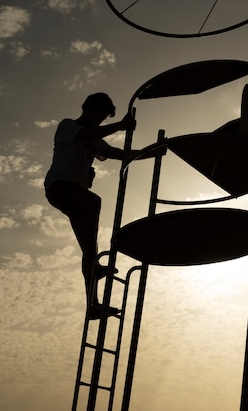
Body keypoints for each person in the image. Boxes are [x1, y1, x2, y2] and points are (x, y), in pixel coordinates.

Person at [44, 92, 161, 320]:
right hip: (60, 188)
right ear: (88, 108)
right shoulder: (68, 126)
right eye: (99, 115)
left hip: (75, 193)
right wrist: (120, 126)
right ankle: (94, 273)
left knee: (90, 250)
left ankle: (93, 305)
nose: (100, 121)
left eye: (103, 118)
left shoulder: (94, 136)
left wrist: (149, 154)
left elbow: (115, 153)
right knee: (93, 201)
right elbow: (87, 133)